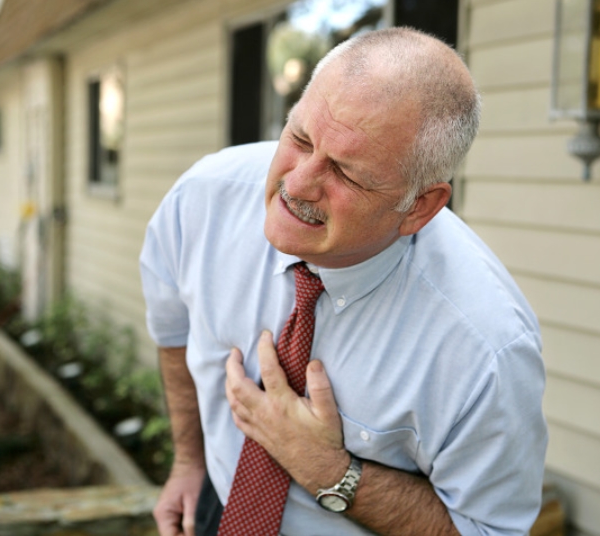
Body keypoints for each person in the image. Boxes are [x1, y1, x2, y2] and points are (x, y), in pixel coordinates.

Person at [140, 27, 547, 536]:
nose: (297, 184)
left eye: (347, 174)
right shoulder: (203, 200)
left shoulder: (486, 349)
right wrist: (188, 461)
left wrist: (331, 472)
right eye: (300, 139)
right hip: (215, 509)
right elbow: (174, 330)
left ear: (418, 206)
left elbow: (487, 530)